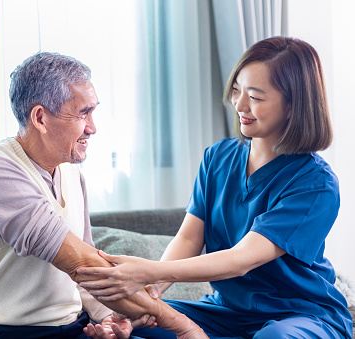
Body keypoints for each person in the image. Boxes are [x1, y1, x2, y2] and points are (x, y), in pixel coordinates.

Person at [77, 36, 354, 338]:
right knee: (143, 325)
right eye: (237, 90)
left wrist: (147, 270)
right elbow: (187, 238)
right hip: (226, 312)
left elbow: (241, 260)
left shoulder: (316, 184)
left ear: (293, 106)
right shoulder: (217, 158)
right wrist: (148, 295)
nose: (240, 105)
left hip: (301, 315)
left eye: (256, 97)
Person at [0, 51, 208, 339]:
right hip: (4, 332)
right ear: (41, 118)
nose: (93, 128)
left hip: (72, 325)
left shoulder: (70, 171)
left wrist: (111, 317)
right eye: (83, 113)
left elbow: (85, 278)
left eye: (93, 111)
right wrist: (182, 325)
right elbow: (82, 264)